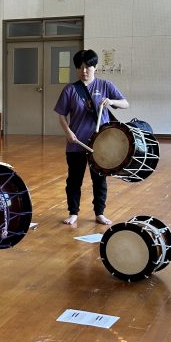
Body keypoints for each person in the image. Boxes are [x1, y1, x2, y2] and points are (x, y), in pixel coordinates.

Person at [54, 48, 129, 227]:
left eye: (88, 67)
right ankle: (73, 212)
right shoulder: (70, 89)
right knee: (74, 180)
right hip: (76, 143)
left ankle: (100, 213)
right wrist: (68, 132)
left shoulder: (105, 85)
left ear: (95, 67)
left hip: (100, 145)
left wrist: (111, 101)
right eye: (80, 67)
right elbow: (61, 115)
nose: (84, 71)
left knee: (99, 180)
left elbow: (125, 103)